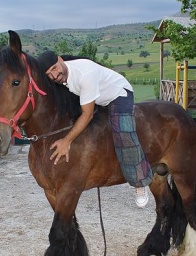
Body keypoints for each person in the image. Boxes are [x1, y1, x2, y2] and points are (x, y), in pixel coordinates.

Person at [37, 51, 152, 207]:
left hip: (119, 94)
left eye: (55, 68)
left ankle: (140, 181)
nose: (54, 75)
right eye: (49, 73)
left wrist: (66, 141)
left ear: (60, 60)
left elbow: (87, 114)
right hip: (98, 97)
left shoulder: (85, 74)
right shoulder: (61, 77)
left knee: (124, 134)